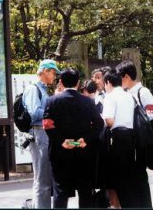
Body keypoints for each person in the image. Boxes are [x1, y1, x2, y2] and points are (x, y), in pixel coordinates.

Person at [43, 68, 104, 208]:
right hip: (83, 153)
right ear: (78, 83)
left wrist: (62, 141)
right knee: (85, 191)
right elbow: (99, 124)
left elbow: (47, 125)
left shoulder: (51, 101)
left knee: (60, 191)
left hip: (59, 153)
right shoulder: (88, 102)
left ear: (61, 82)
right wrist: (86, 139)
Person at [22, 59, 60, 208]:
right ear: (44, 70)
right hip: (38, 134)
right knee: (42, 178)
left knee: (43, 178)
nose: (55, 76)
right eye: (53, 72)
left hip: (42, 134)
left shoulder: (42, 89)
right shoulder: (33, 89)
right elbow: (34, 113)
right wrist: (52, 111)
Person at [115, 60, 153, 208]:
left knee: (140, 178)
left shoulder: (142, 92)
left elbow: (152, 115)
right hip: (130, 144)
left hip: (140, 142)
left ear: (126, 77)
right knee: (132, 179)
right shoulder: (126, 93)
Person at [102, 70, 142, 208]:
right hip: (131, 138)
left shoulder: (110, 97)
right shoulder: (130, 96)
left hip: (117, 139)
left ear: (108, 83)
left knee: (117, 177)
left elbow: (110, 122)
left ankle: (118, 205)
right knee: (128, 176)